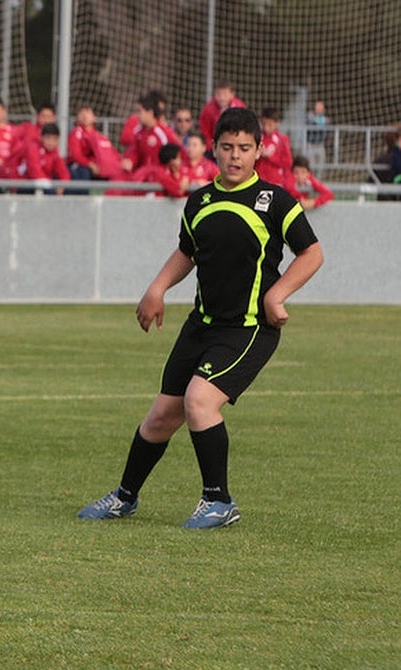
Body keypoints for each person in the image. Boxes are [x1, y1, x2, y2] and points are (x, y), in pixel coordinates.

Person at [77, 107, 323, 529]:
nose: (235, 156)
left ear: (259, 150)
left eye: (245, 148)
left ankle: (219, 501)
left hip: (248, 328)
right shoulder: (200, 200)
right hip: (201, 325)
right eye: (227, 147)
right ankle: (125, 497)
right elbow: (187, 253)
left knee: (199, 401)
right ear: (214, 149)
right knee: (160, 417)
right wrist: (157, 289)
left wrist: (278, 294)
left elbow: (312, 253)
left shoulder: (276, 201)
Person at [122, 92, 183, 175]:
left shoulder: (163, 132)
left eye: (139, 111)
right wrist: (130, 161)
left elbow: (178, 154)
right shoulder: (139, 132)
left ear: (150, 113)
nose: (137, 115)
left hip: (160, 178)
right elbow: (135, 152)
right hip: (144, 177)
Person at [66, 105, 125, 182]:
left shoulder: (99, 136)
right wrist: (90, 164)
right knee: (83, 173)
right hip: (80, 166)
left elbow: (112, 153)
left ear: (94, 118)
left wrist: (122, 160)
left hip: (99, 167)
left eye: (87, 112)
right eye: (82, 113)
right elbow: (76, 155)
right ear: (77, 119)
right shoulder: (76, 133)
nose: (85, 115)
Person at [198, 81, 245, 149]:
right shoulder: (208, 109)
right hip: (214, 146)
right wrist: (212, 146)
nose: (222, 98)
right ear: (214, 94)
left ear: (232, 94)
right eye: (218, 94)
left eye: (225, 94)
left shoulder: (239, 107)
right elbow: (204, 131)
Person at [255, 107, 293, 189]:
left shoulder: (282, 140)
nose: (266, 128)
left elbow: (288, 162)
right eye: (264, 124)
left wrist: (271, 157)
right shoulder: (257, 137)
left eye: (269, 125)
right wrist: (258, 154)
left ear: (277, 123)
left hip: (276, 182)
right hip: (259, 180)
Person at [304, 100, 330, 175]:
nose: (318, 108)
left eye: (320, 107)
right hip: (311, 145)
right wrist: (317, 124)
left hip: (320, 145)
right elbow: (310, 124)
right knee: (311, 165)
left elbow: (326, 130)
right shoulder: (310, 116)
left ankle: (318, 183)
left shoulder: (326, 119)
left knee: (320, 166)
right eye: (317, 106)